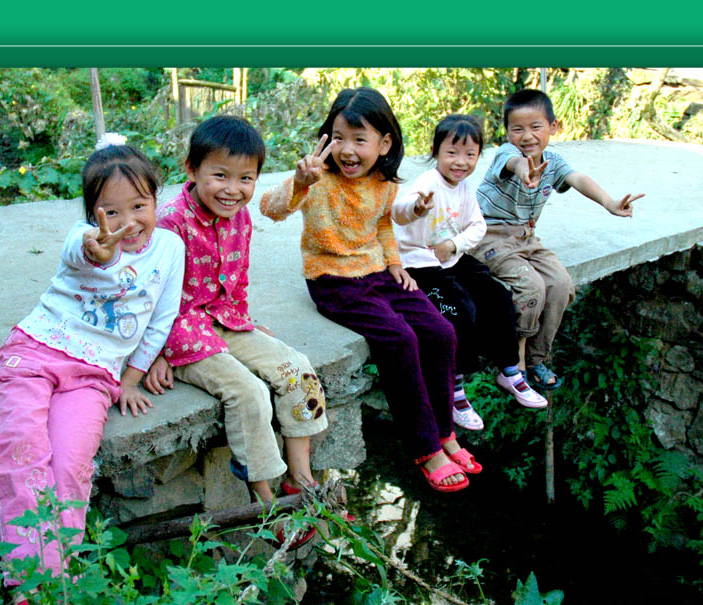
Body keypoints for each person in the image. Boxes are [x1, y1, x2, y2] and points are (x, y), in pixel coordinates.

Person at [0, 134, 186, 594]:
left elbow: (161, 320)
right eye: (111, 211)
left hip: (93, 377)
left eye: (139, 206)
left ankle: (55, 583)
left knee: (71, 466)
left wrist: (131, 379)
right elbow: (89, 249)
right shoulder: (84, 240)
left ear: (157, 198)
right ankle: (28, 588)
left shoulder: (171, 249)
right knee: (22, 453)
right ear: (92, 214)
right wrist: (102, 249)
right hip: (34, 354)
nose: (128, 222)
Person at [260, 87, 481, 494]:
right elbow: (270, 208)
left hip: (378, 273)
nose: (347, 150)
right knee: (398, 338)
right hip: (332, 280)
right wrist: (298, 182)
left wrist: (396, 265)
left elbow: (382, 225)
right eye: (339, 137)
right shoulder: (317, 179)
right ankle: (426, 449)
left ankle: (446, 432)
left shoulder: (382, 183)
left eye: (359, 140)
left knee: (440, 332)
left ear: (384, 144)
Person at [143, 115, 329, 546]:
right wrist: (150, 355)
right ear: (191, 170)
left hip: (226, 319)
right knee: (247, 393)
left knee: (296, 367)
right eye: (220, 175)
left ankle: (300, 480)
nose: (233, 188)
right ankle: (266, 504)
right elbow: (147, 294)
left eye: (246, 178)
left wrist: (247, 322)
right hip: (179, 331)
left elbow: (238, 276)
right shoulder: (171, 224)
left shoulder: (240, 218)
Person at [472, 89, 644, 389]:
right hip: (488, 237)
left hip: (526, 238)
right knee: (531, 288)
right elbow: (516, 163)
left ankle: (537, 359)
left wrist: (609, 202)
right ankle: (514, 365)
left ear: (553, 127)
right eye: (517, 129)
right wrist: (525, 171)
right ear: (507, 131)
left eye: (536, 127)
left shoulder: (552, 160)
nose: (527, 136)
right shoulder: (507, 154)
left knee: (561, 285)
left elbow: (577, 179)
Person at [392, 114, 548, 432]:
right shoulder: (427, 183)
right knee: (460, 310)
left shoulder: (463, 189)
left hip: (451, 256)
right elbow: (399, 210)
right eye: (452, 153)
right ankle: (455, 386)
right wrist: (417, 208)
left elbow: (478, 226)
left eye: (470, 154)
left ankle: (509, 369)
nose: (460, 162)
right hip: (419, 261)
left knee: (499, 296)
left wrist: (454, 243)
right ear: (436, 151)